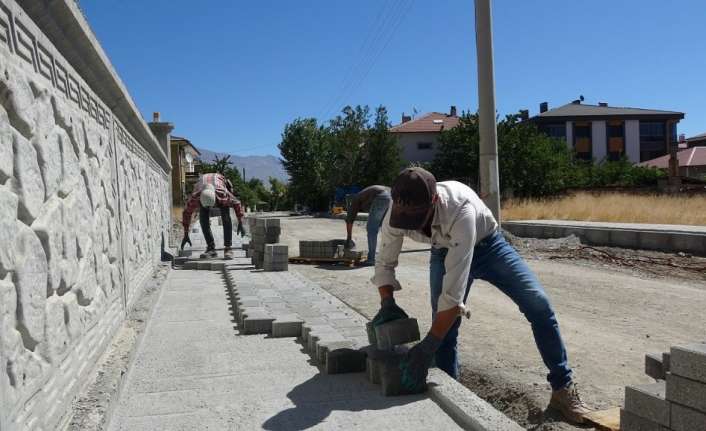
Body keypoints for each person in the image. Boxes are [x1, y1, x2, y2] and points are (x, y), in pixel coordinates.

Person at [370, 167, 592, 424]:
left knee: (538, 305)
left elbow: (452, 298)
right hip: (442, 251)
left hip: (489, 247)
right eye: (404, 216)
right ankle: (449, 397)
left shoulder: (460, 209)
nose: (409, 222)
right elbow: (384, 263)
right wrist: (387, 302)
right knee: (446, 330)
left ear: (433, 201)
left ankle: (563, 390)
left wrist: (427, 346)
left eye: (416, 218)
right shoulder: (394, 213)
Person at [181, 173, 245, 259]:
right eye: (207, 207)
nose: (210, 209)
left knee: (226, 217)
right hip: (203, 187)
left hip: (218, 185)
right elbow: (186, 213)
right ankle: (211, 249)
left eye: (211, 206)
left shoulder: (223, 194)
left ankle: (228, 248)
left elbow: (237, 202)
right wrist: (185, 234)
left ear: (215, 199)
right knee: (203, 220)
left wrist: (240, 222)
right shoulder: (195, 198)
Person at [345, 185, 392, 266]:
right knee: (382, 227)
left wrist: (349, 237)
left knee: (371, 229)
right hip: (390, 196)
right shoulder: (363, 196)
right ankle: (380, 256)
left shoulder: (355, 201)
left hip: (382, 197)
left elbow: (349, 221)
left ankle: (371, 259)